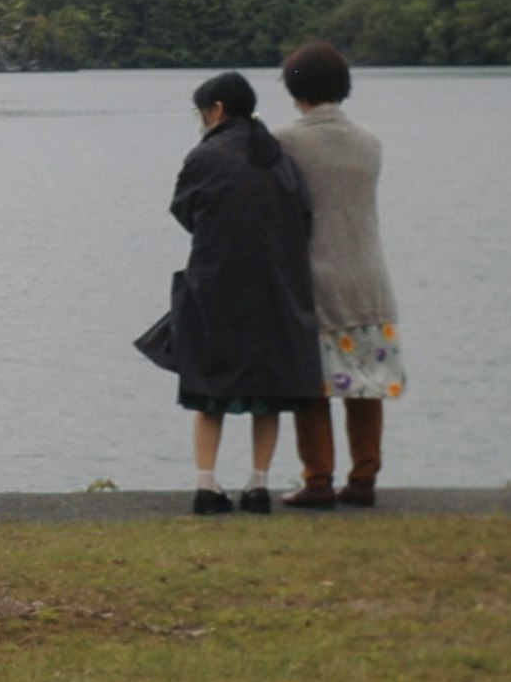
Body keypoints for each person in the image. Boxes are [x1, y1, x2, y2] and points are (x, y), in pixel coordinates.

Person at [132, 71, 321, 514]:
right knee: (267, 393)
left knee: (208, 387)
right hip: (275, 289)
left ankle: (206, 483)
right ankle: (258, 485)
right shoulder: (278, 157)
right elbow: (303, 218)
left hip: (215, 285)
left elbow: (185, 211)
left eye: (201, 112)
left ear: (216, 110)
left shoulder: (205, 157)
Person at [275, 38, 402, 508]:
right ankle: (364, 477)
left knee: (313, 385)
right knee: (365, 384)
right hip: (369, 277)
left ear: (296, 88)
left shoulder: (287, 141)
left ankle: (318, 480)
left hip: (315, 279)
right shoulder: (371, 142)